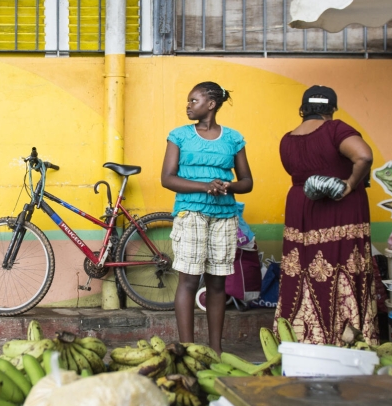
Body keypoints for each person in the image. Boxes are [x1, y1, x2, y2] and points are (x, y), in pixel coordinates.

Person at [277, 85, 380, 345]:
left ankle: (301, 338)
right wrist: (349, 183)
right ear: (332, 109)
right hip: (340, 208)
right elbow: (364, 155)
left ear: (303, 109)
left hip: (301, 207)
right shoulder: (334, 129)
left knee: (304, 270)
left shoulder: (287, 140)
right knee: (342, 266)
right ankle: (347, 338)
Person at [160, 82, 254, 353]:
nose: (188, 105)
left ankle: (215, 350)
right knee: (188, 281)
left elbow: (247, 181)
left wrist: (228, 186)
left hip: (225, 216)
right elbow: (167, 178)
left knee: (217, 283)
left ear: (211, 104)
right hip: (191, 214)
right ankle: (189, 351)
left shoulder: (234, 138)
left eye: (194, 100)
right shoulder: (179, 136)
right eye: (188, 101)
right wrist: (205, 186)